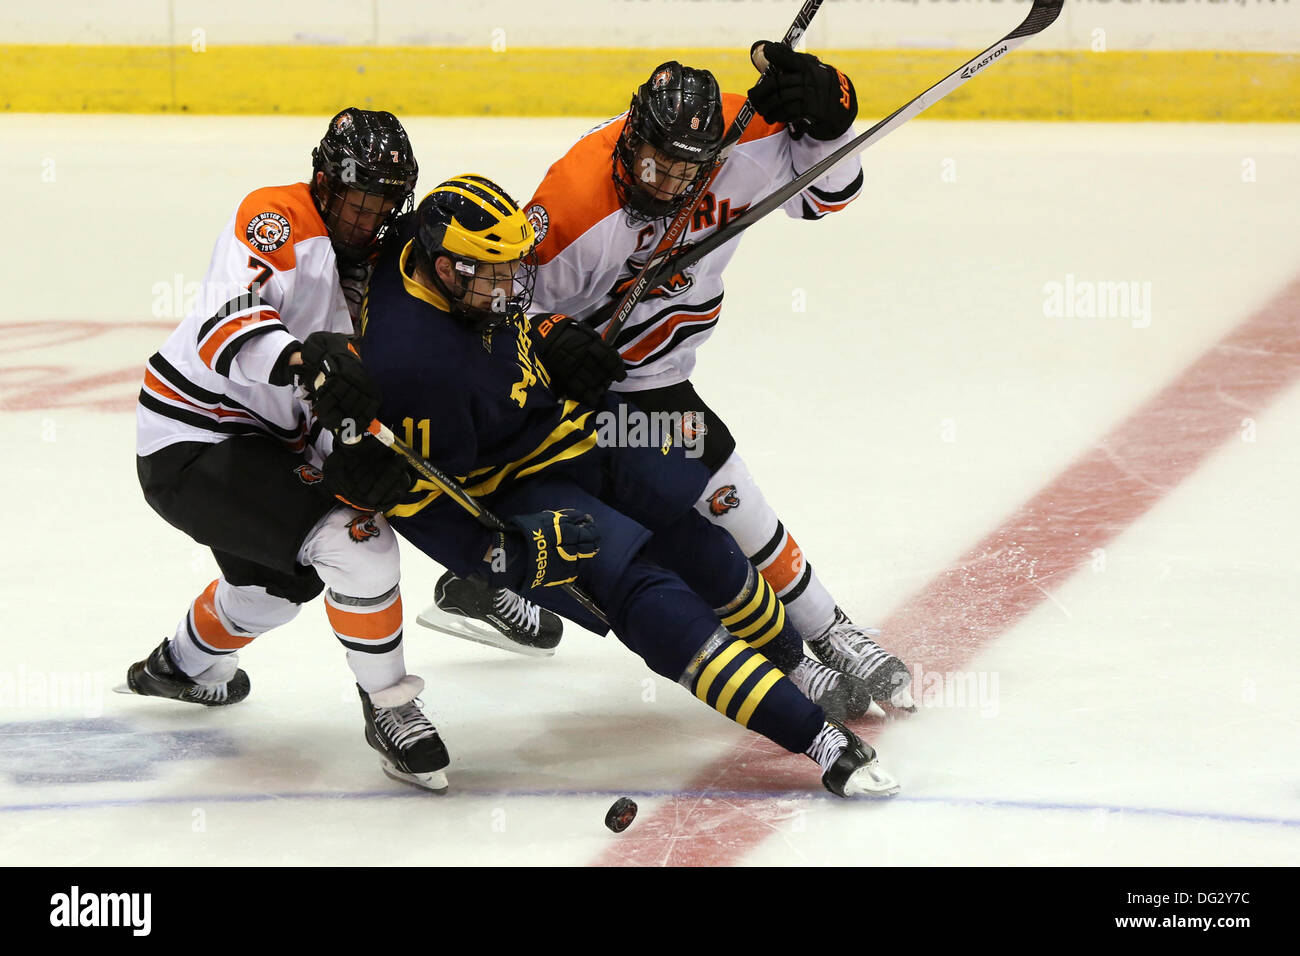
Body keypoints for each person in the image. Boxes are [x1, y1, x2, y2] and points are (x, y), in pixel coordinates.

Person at [346, 174, 899, 797]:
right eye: (494, 275)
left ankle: (797, 665)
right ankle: (815, 738)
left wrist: (547, 333)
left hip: (565, 432)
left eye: (510, 268)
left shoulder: (416, 252)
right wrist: (500, 555)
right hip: (516, 492)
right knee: (651, 598)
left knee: (694, 536)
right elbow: (416, 500)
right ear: (446, 269)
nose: (512, 286)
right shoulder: (415, 369)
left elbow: (504, 326)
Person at [424, 47, 915, 711]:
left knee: (712, 496)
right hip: (567, 389)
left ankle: (826, 633)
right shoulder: (573, 202)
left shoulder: (745, 141)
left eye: (686, 169)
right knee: (647, 515)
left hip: (652, 372)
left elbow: (829, 196)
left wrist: (832, 123)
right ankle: (496, 578)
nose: (666, 184)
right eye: (654, 164)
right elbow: (496, 306)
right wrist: (547, 337)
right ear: (631, 136)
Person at [124, 108, 453, 791]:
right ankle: (390, 708)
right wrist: (303, 359)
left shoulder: (384, 271)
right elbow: (229, 321)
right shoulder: (276, 218)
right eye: (356, 201)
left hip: (267, 441)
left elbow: (349, 392)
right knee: (356, 541)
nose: (367, 219)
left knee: (277, 587)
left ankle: (176, 667)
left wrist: (351, 442)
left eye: (383, 204)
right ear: (324, 184)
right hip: (192, 435)